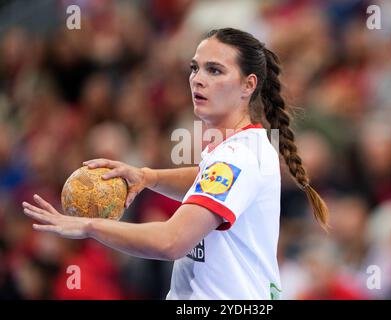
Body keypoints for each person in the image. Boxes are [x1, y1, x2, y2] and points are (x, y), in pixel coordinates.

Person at [22, 28, 329, 300]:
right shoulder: (234, 149)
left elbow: (171, 242)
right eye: (195, 68)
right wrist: (147, 176)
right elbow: (205, 179)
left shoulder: (238, 157)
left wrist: (91, 226)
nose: (198, 78)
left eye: (215, 70)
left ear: (248, 85)